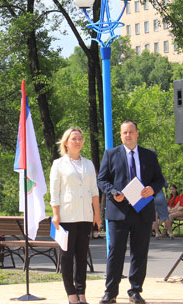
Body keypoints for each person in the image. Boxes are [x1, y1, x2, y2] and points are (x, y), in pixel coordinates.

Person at [97, 121, 165, 304]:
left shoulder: (149, 155)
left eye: (131, 132)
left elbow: (160, 179)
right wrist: (112, 192)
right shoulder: (111, 155)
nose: (128, 135)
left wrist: (152, 188)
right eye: (124, 133)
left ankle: (135, 290)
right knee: (115, 252)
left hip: (142, 211)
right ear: (120, 135)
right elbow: (101, 180)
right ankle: (110, 292)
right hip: (119, 211)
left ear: (137, 133)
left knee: (140, 252)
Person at [50, 127, 101, 304]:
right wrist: (55, 215)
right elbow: (54, 192)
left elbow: (94, 190)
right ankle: (71, 293)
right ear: (66, 143)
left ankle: (81, 292)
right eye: (74, 139)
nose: (78, 141)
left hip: (85, 216)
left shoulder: (88, 164)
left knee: (81, 256)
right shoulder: (58, 164)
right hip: (66, 216)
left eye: (80, 138)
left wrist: (97, 214)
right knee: (67, 256)